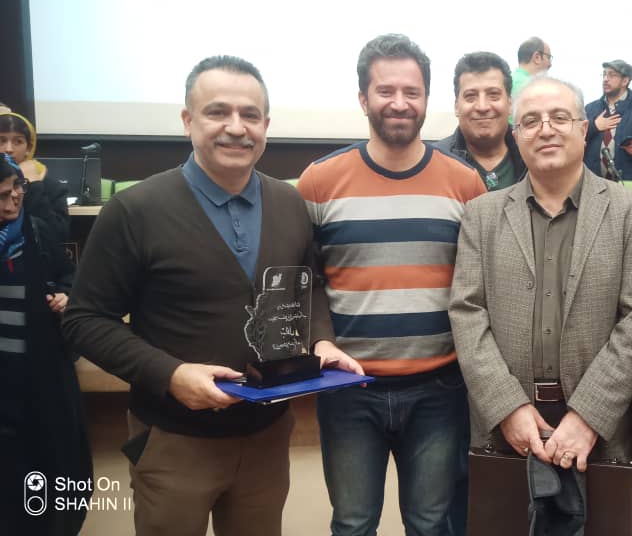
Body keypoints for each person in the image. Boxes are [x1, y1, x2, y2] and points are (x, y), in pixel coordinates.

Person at [63, 55, 357, 536]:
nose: (236, 128)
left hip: (267, 435)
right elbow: (84, 320)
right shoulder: (134, 210)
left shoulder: (289, 203)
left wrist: (321, 340)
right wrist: (170, 374)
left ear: (266, 126)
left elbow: (311, 286)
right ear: (188, 121)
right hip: (174, 439)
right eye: (218, 112)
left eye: (250, 115)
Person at [298, 34, 486, 536]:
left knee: (430, 523)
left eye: (412, 91)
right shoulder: (318, 181)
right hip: (348, 391)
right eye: (385, 91)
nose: (399, 103)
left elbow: (479, 287)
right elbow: (304, 282)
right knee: (353, 523)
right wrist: (319, 342)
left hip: (439, 391)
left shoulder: (465, 183)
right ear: (363, 98)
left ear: (426, 99)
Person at [450, 75, 632, 471]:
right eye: (531, 121)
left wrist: (590, 415)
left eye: (560, 118)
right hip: (505, 426)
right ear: (516, 136)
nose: (545, 130)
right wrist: (506, 406)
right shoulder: (482, 214)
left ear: (584, 129)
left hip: (599, 429)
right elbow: (467, 312)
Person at [0, 155, 90, 535]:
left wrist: (66, 296)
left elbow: (70, 276)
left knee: (47, 476)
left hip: (38, 377)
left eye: (16, 189)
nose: (12, 202)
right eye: (1, 196)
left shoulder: (37, 232)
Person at [435, 51, 527, 191]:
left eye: (493, 95)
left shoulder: (532, 156)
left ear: (510, 104)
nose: (482, 107)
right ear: (456, 107)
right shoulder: (435, 162)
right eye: (471, 96)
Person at [0, 111, 71, 251]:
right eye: (1, 140)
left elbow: (57, 235)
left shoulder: (51, 186)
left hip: (35, 259)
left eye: (18, 142)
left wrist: (34, 186)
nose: (9, 149)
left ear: (29, 148)